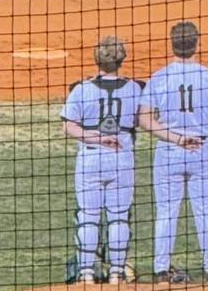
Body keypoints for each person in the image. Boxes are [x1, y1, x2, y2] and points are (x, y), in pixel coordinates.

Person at [137, 21, 208, 285]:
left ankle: (161, 270)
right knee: (205, 211)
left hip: (170, 149)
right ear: (196, 43)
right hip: (202, 149)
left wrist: (177, 136)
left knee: (167, 211)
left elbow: (145, 120)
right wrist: (201, 120)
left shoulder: (160, 76)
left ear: (172, 43)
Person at [61, 36, 144, 286]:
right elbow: (142, 119)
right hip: (121, 157)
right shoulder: (135, 88)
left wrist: (93, 136)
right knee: (118, 216)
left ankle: (86, 273)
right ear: (122, 59)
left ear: (96, 59)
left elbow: (69, 126)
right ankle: (117, 273)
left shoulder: (81, 89)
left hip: (90, 157)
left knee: (88, 215)